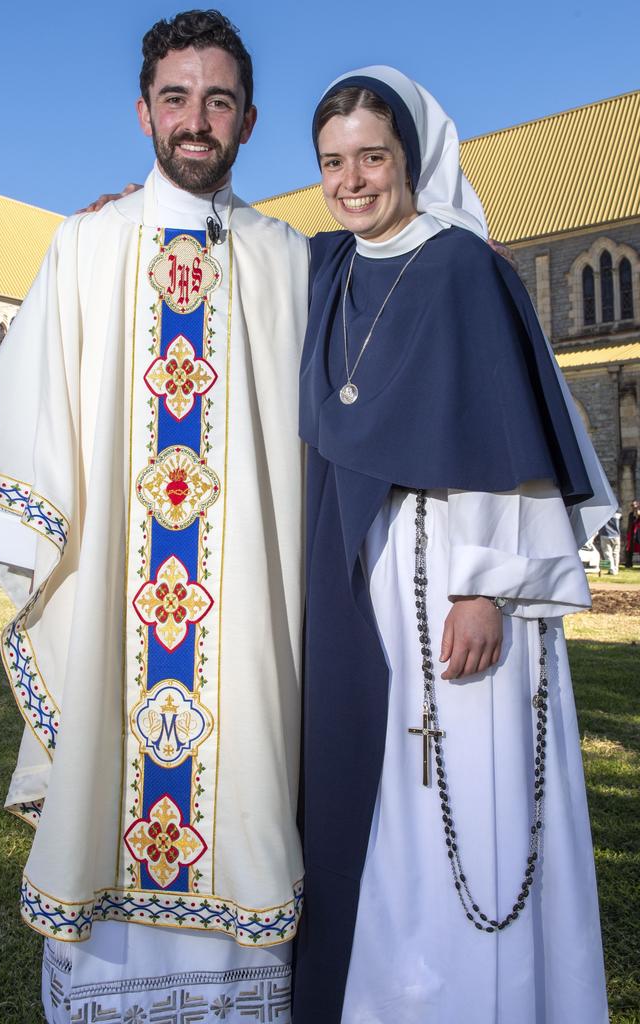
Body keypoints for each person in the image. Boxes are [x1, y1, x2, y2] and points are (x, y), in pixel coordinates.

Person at [0, 11, 308, 1023]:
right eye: (176, 97)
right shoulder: (87, 246)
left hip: (249, 638)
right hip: (114, 624)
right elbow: (31, 425)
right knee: (105, 800)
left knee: (249, 816)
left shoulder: (294, 263)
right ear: (142, 111)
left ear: (249, 119)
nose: (196, 119)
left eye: (218, 100)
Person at [293, 67, 615, 1024]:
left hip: (462, 580)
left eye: (373, 158)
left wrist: (484, 588)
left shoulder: (462, 265)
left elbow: (500, 432)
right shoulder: (331, 269)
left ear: (412, 159)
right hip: (375, 575)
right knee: (388, 790)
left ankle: (485, 996)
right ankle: (393, 993)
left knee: (469, 782)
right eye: (333, 162)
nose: (353, 181)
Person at [598, 510, 621, 574]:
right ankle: (616, 569)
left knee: (607, 553)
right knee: (616, 553)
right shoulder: (618, 512)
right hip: (616, 535)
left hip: (605, 534)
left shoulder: (603, 512)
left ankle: (612, 570)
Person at [625, 498, 639, 568]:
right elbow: (630, 524)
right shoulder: (631, 514)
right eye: (632, 505)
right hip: (631, 534)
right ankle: (628, 564)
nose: (634, 506)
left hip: (638, 534)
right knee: (628, 549)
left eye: (635, 505)